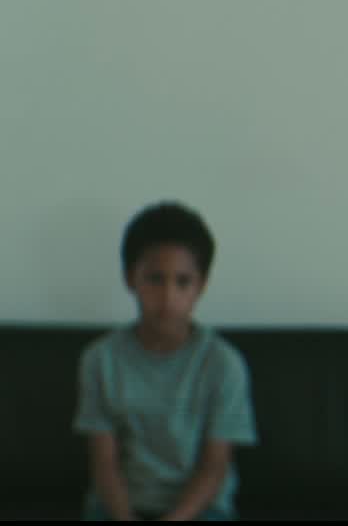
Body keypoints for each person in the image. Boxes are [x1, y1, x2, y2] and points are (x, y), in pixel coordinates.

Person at [74, 201, 257, 521]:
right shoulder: (100, 360)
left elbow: (215, 466)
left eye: (183, 282)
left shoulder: (223, 365)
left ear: (201, 285)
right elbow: (104, 463)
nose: (168, 297)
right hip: (118, 508)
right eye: (155, 279)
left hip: (199, 511)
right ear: (130, 279)